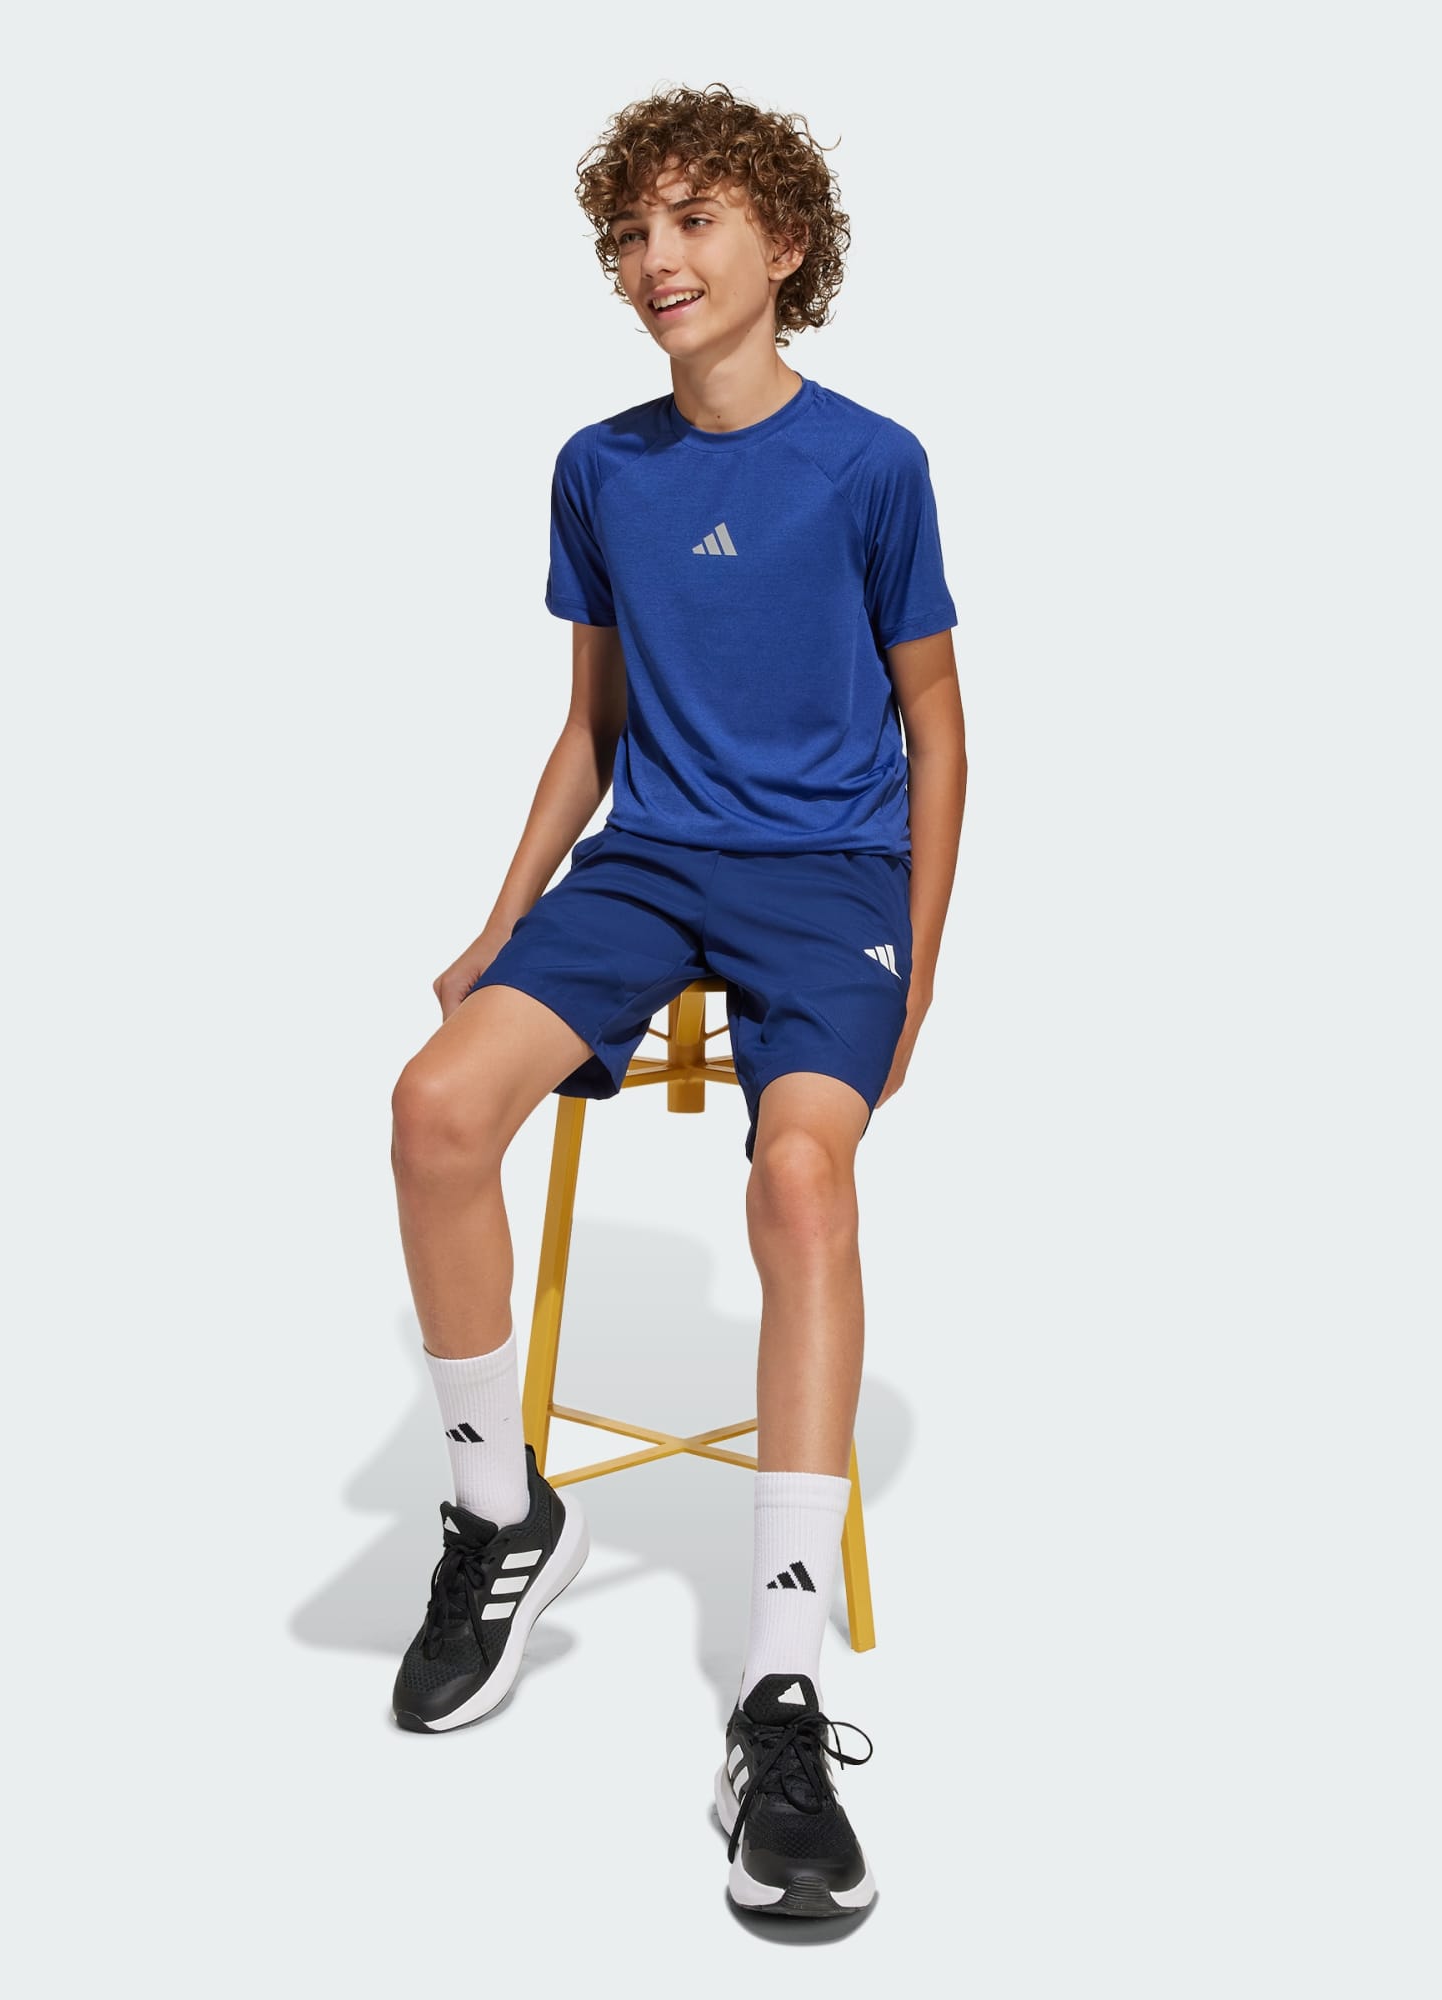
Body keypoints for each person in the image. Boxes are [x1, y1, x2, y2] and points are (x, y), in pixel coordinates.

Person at [386, 82, 966, 1920]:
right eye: (633, 230)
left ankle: (779, 1692)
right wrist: (499, 924)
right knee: (434, 1105)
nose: (658, 258)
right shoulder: (599, 466)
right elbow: (593, 727)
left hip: (831, 883)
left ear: (786, 245)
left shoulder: (871, 464)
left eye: (697, 220)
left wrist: (919, 966)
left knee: (801, 1177)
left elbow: (939, 726)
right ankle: (500, 1514)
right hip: (647, 864)